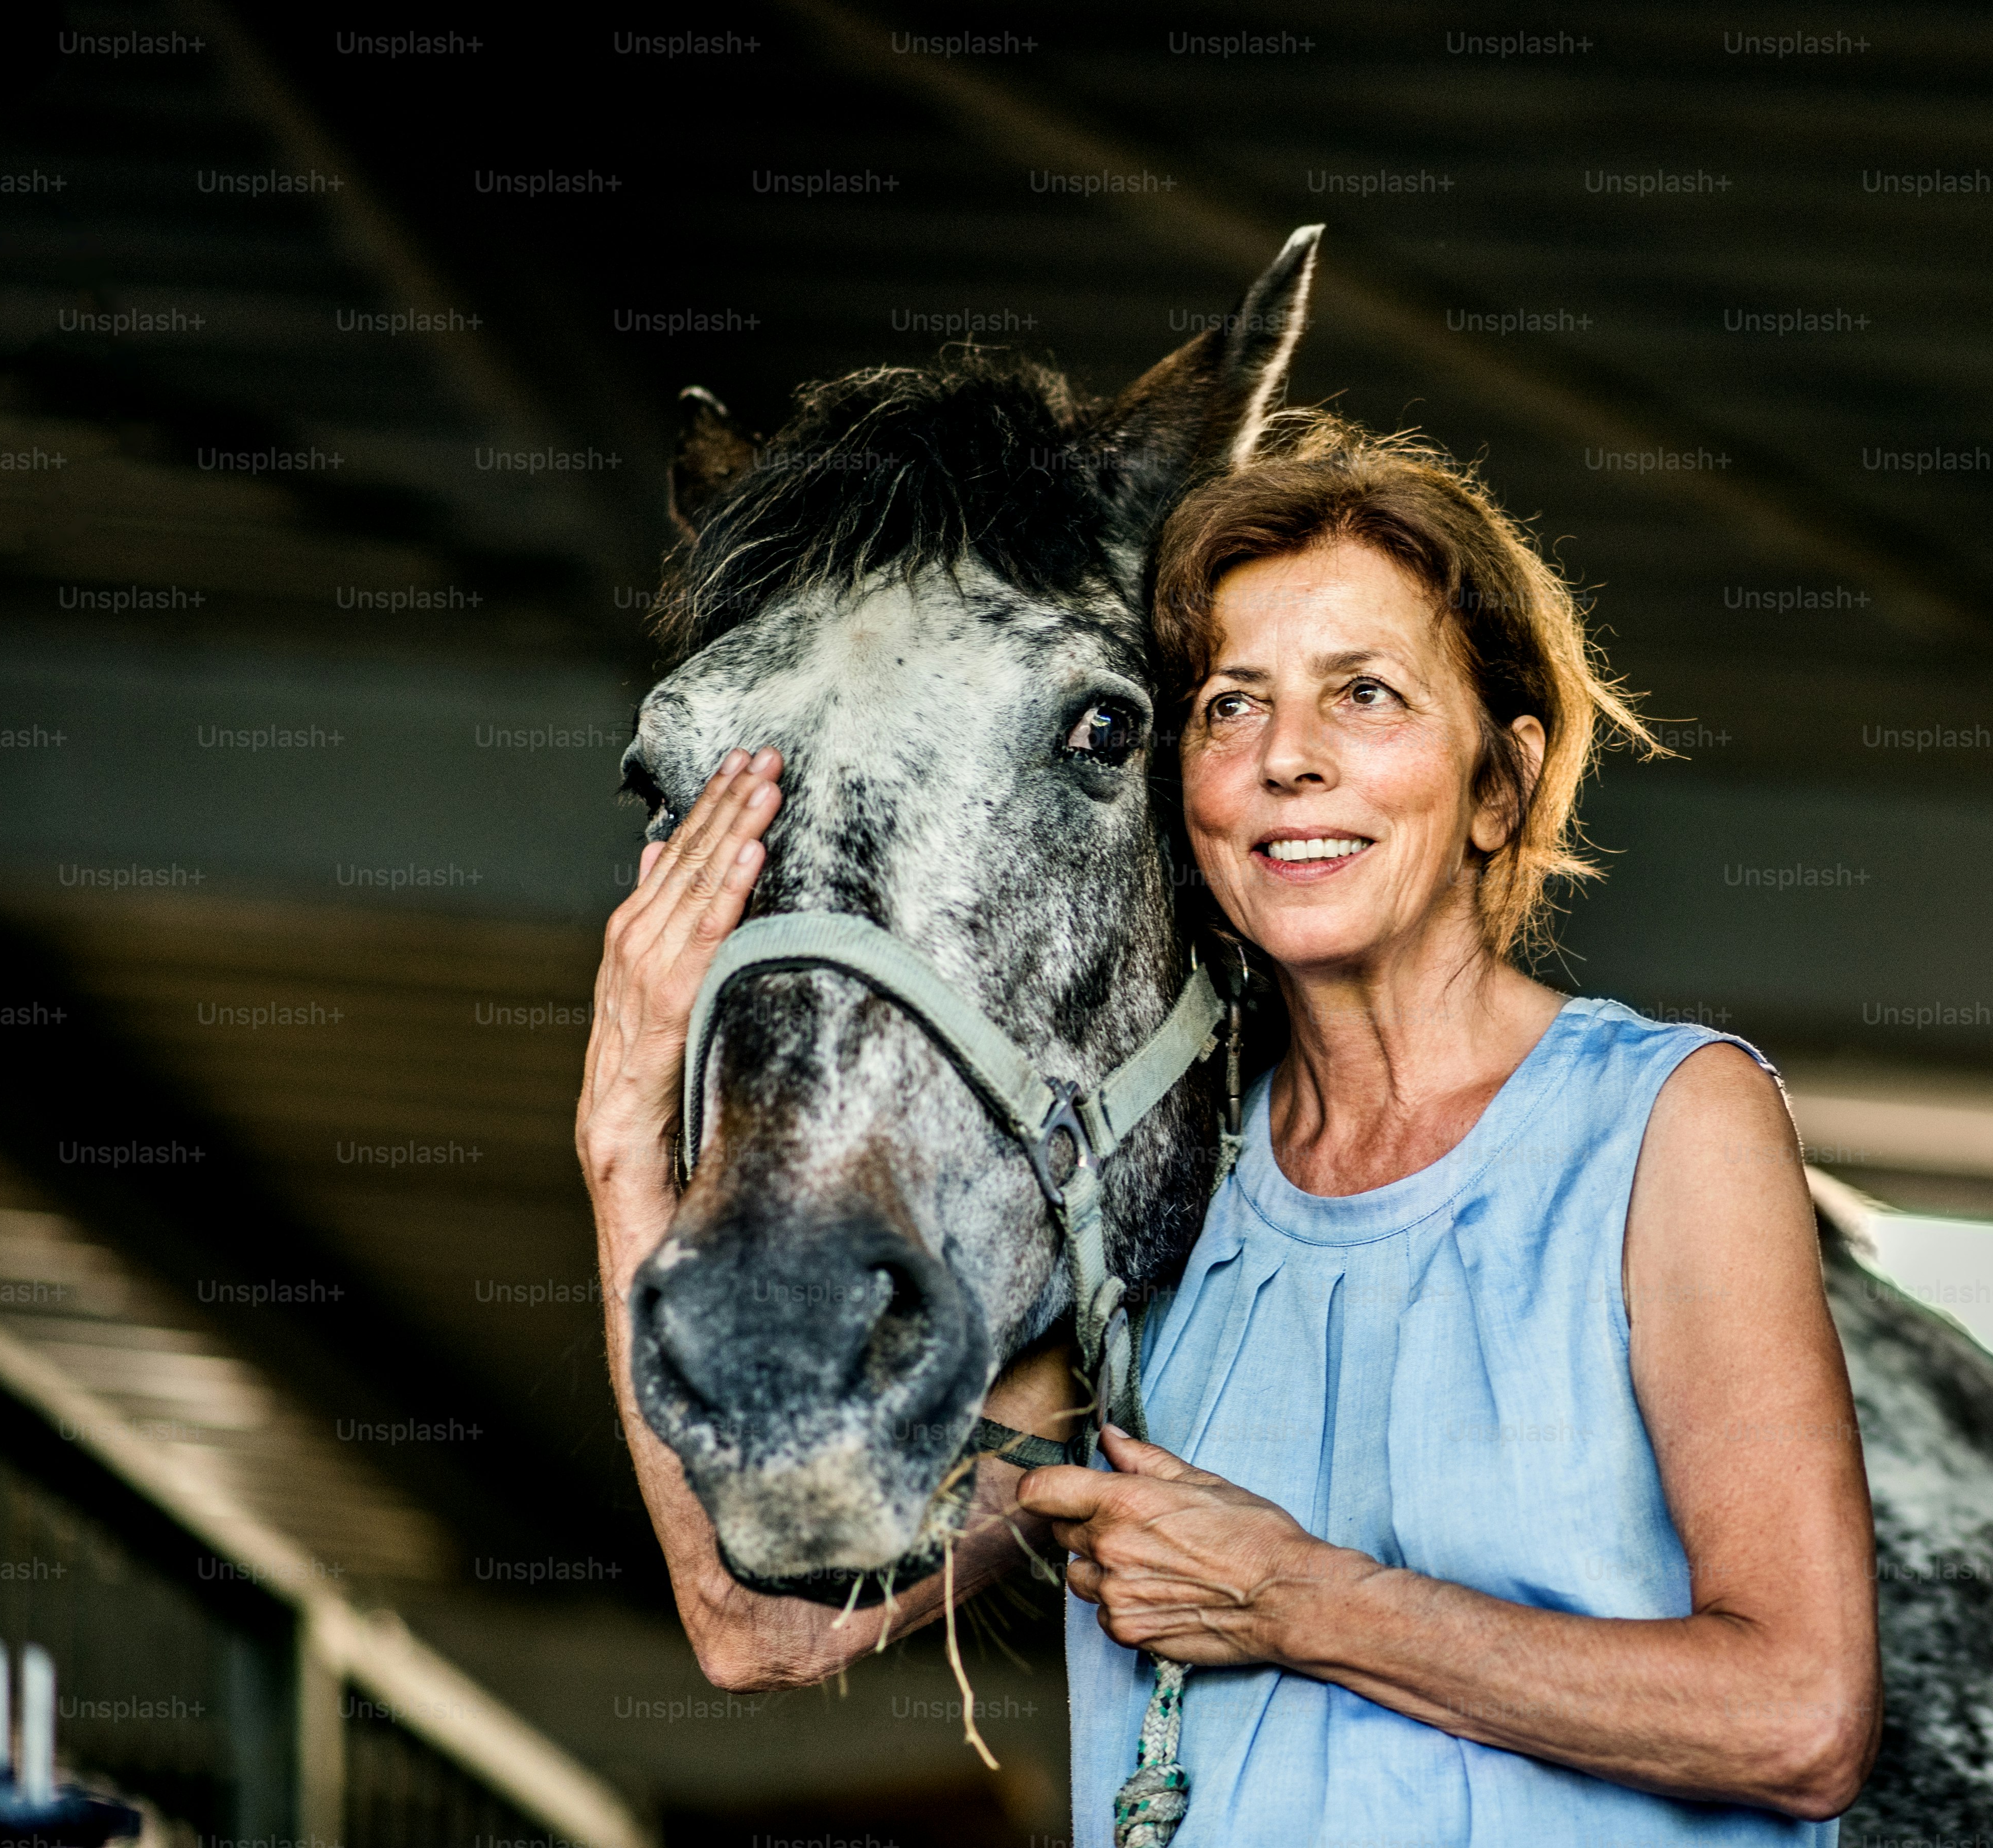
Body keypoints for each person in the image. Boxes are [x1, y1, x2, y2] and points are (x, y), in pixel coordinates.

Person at [580, 415, 1879, 1839]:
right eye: (1230, 707)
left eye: (1365, 695)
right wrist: (623, 1126)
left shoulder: (1665, 1121)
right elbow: (759, 1631)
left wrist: (1297, 1600)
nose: (1287, 759)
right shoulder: (1153, 1215)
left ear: (1498, 789)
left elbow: (1798, 1720)